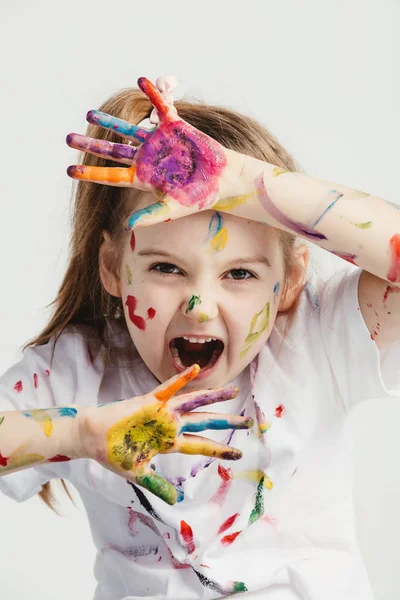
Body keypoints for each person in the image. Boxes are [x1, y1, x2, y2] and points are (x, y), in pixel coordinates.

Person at [0, 75, 399, 600]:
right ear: (114, 268)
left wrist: (246, 185)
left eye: (239, 275)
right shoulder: (79, 372)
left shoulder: (318, 342)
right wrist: (80, 435)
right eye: (166, 268)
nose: (199, 306)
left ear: (292, 279)